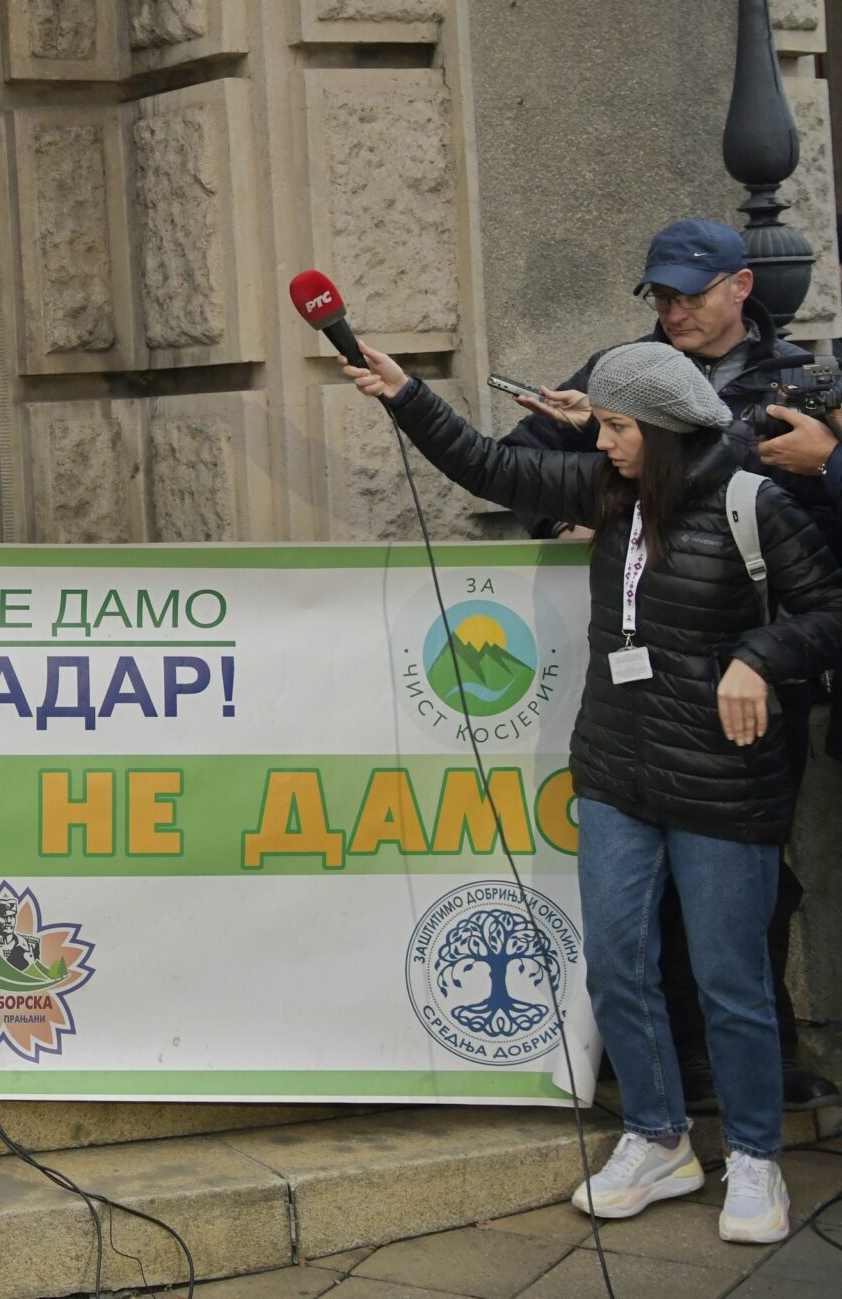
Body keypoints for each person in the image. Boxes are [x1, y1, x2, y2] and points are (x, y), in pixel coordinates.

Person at [350, 338, 842, 1245]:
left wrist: (755, 657)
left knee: (731, 978)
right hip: (618, 766)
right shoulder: (613, 492)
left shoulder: (752, 502)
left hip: (724, 776)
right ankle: (658, 1139)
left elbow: (829, 609)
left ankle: (757, 1156)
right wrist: (406, 393)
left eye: (617, 426)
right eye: (604, 424)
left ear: (661, 425)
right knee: (618, 963)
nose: (601, 442)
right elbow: (491, 465)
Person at [497, 218, 838, 1112]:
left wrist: (827, 462)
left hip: (760, 671)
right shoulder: (620, 372)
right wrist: (584, 521)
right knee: (648, 892)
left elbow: (819, 562)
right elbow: (522, 465)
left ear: (741, 287)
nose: (675, 309)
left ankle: (756, 1064)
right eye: (661, 294)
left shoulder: (804, 377)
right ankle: (673, 1067)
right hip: (650, 677)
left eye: (692, 291)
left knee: (752, 880)